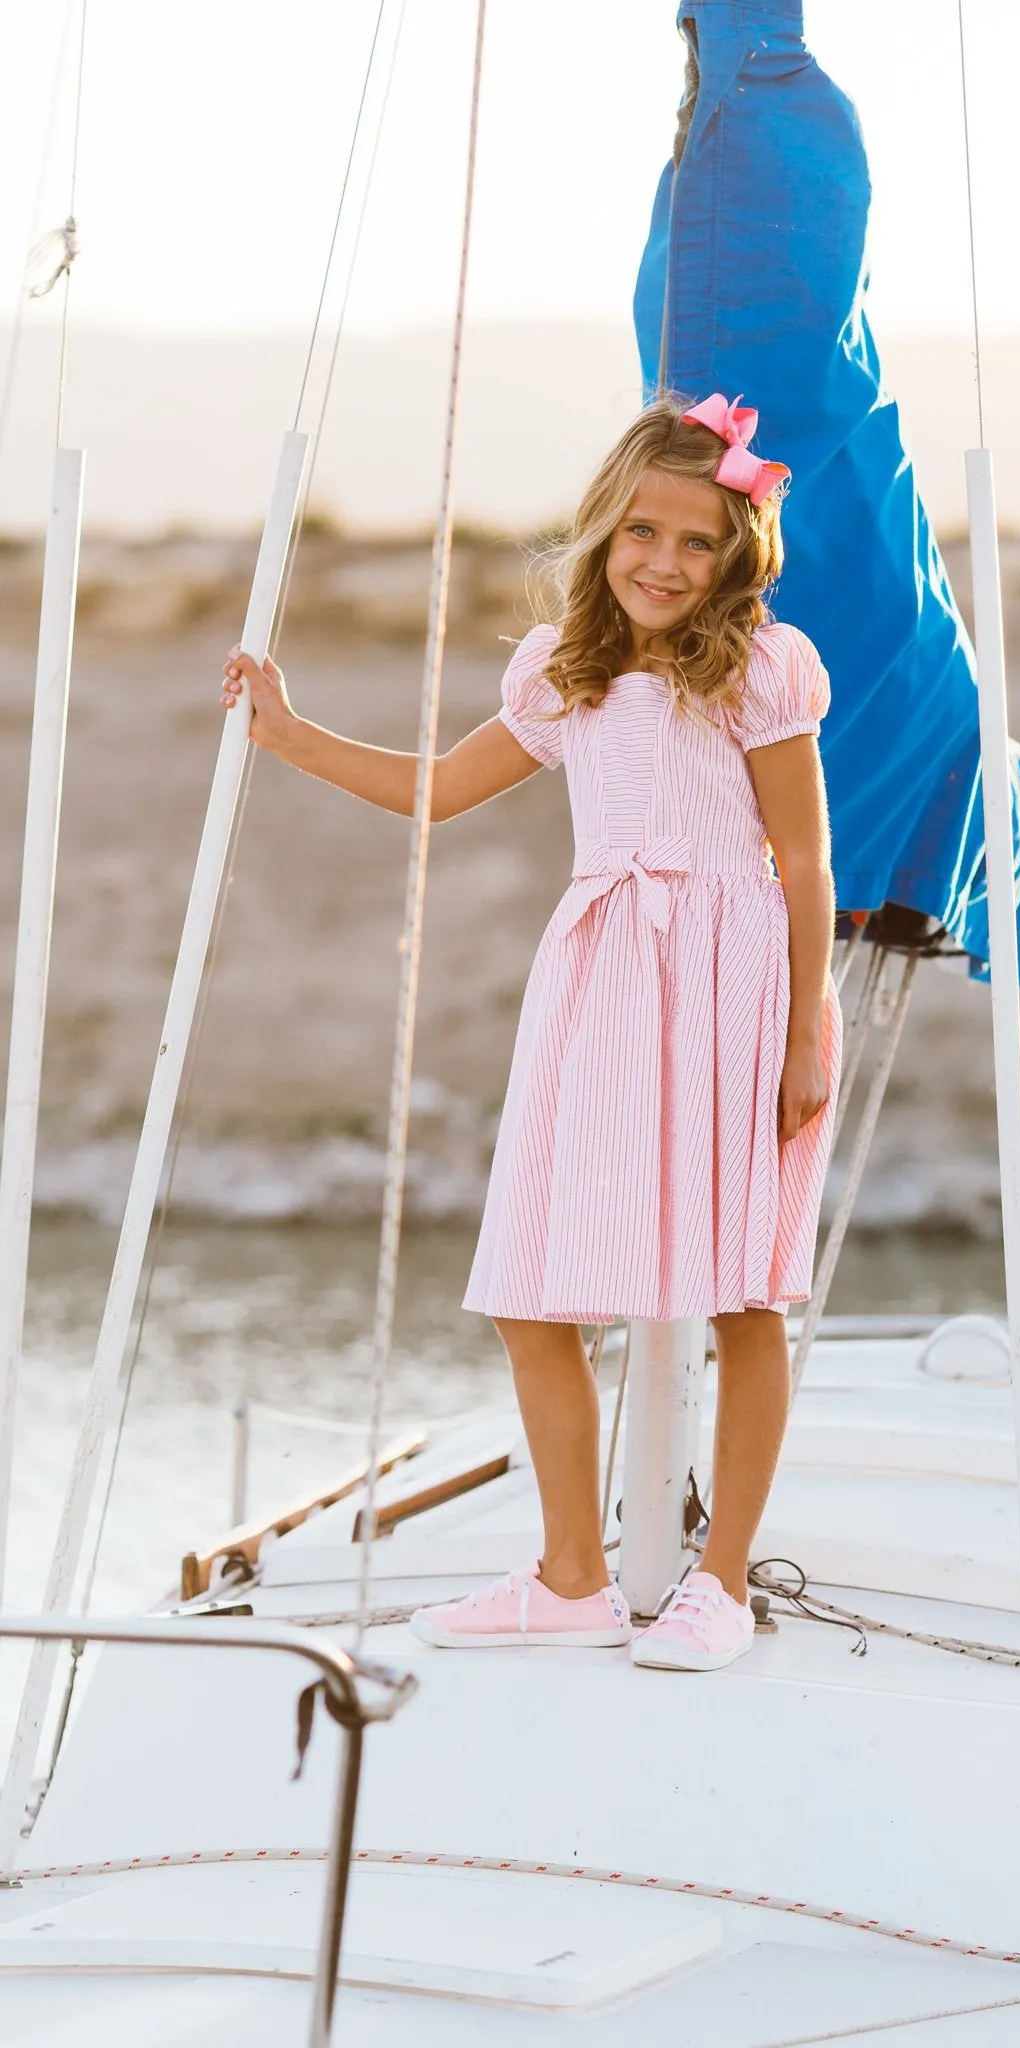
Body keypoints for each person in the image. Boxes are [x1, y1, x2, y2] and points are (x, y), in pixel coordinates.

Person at [221, 393, 841, 1673]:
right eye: (642, 533)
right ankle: (573, 1573)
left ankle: (718, 1581)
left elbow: (806, 859)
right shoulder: (565, 674)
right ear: (604, 529)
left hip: (735, 986)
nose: (665, 562)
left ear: (738, 553)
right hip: (600, 982)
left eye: (698, 541)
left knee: (741, 1292)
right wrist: (288, 733)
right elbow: (440, 790)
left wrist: (802, 1032)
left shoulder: (760, 669)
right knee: (532, 1284)